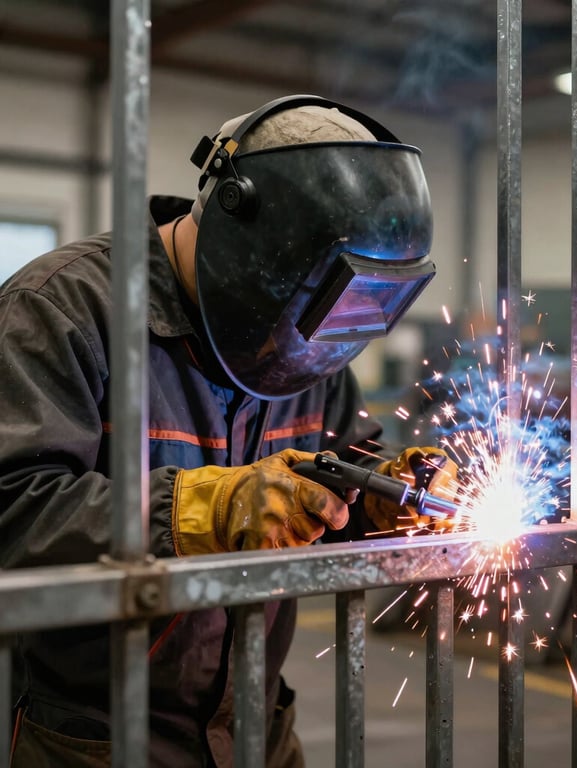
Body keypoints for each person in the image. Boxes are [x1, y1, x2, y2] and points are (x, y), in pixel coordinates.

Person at [0, 94, 458, 767]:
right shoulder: (62, 309)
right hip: (93, 741)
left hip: (255, 728)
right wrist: (198, 510)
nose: (309, 349)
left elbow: (334, 479)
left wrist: (383, 496)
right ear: (245, 245)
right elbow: (13, 507)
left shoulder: (316, 345)